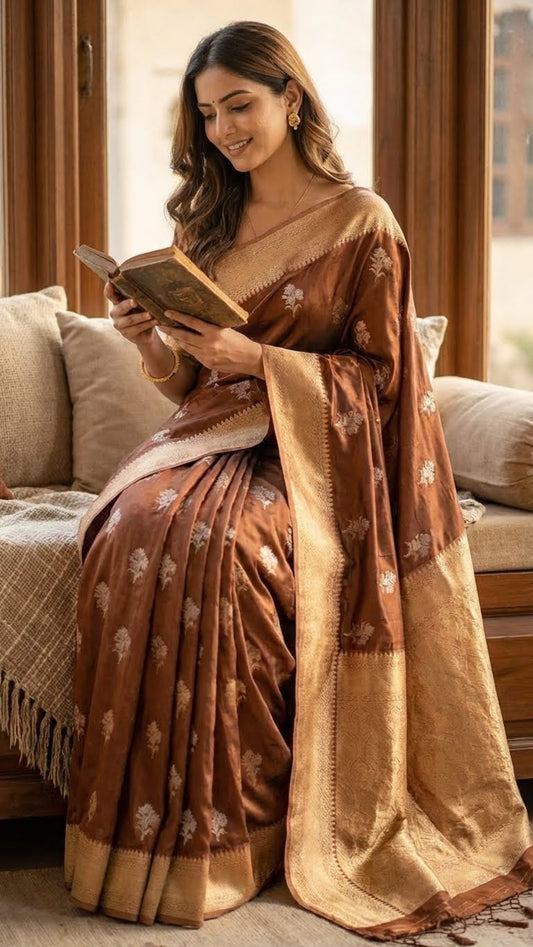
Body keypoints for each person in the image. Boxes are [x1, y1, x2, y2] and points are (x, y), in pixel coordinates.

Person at [65, 20, 532, 940]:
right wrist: (151, 340)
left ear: (290, 96)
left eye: (240, 103)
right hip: (207, 438)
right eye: (207, 113)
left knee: (222, 544)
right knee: (132, 526)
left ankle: (245, 830)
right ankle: (146, 838)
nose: (224, 128)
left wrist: (262, 358)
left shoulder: (362, 222)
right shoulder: (206, 221)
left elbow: (388, 383)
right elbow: (191, 384)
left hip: (320, 463)